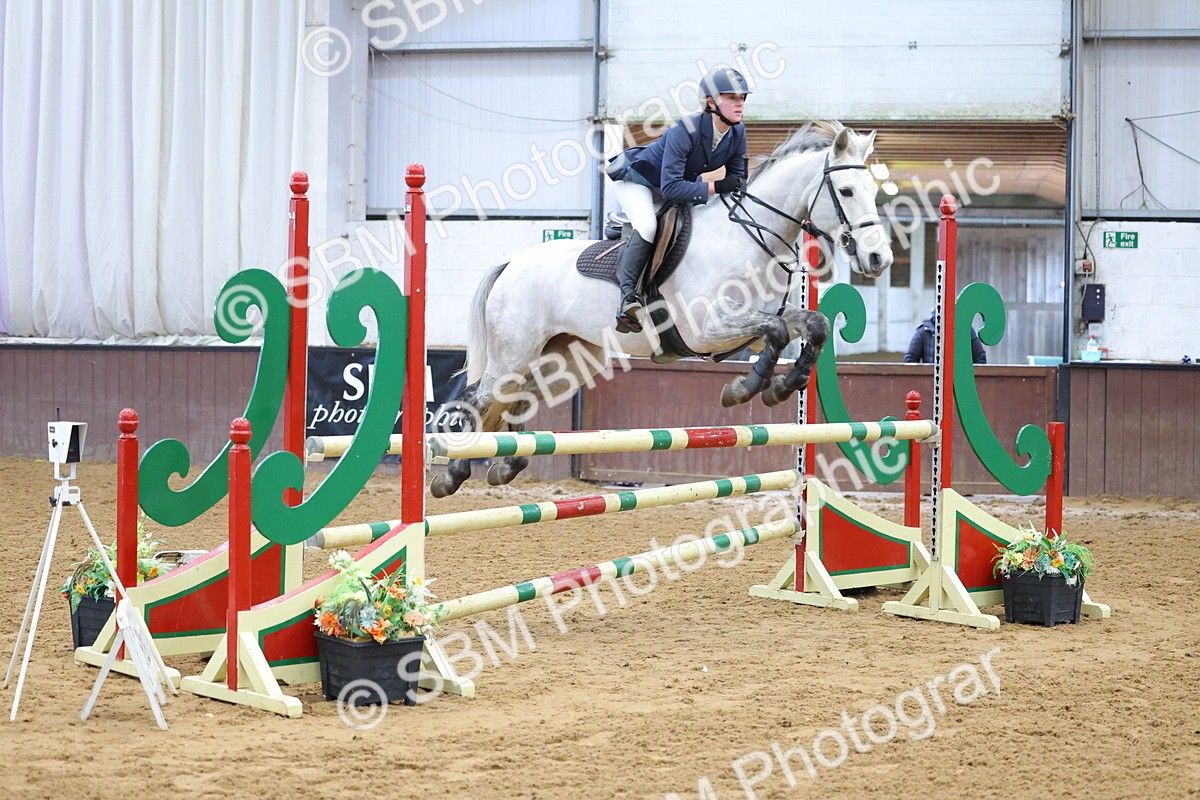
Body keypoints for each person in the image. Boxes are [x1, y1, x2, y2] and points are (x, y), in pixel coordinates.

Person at [604, 67, 751, 333]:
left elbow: (738, 180)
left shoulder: (737, 132)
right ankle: (628, 298)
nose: (740, 103)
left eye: (742, 97)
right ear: (711, 102)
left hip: (676, 186)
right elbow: (671, 187)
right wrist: (716, 186)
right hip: (639, 180)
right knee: (648, 226)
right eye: (732, 97)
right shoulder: (685, 129)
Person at [904, 308, 987, 364]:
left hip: (960, 380)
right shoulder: (924, 331)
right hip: (932, 380)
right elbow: (910, 359)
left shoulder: (965, 330)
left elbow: (980, 357)